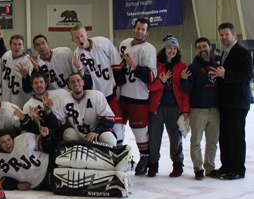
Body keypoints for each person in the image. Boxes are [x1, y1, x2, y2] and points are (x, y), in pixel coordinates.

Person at [209, 22, 253, 180]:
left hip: (237, 103)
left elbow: (247, 75)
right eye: (221, 34)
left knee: (236, 136)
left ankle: (238, 169)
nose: (224, 37)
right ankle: (227, 166)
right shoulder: (225, 53)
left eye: (227, 34)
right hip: (226, 103)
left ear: (234, 35)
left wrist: (226, 74)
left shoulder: (242, 52)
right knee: (225, 136)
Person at [71, 25, 125, 145]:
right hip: (96, 97)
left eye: (82, 36)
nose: (80, 39)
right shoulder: (76, 57)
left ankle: (120, 149)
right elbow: (85, 83)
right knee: (99, 129)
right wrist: (79, 68)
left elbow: (117, 64)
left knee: (118, 126)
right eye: (76, 38)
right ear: (72, 40)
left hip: (111, 90)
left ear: (87, 35)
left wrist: (119, 85)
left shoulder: (103, 42)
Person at [118, 18, 157, 175]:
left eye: (143, 29)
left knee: (139, 130)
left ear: (147, 32)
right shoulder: (124, 44)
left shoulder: (149, 49)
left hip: (138, 97)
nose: (140, 31)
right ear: (134, 29)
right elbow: (117, 67)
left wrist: (135, 66)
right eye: (138, 28)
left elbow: (151, 76)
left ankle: (145, 158)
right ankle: (118, 157)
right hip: (122, 96)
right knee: (117, 128)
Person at [147, 35, 190, 177]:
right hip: (157, 107)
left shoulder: (182, 65)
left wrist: (184, 110)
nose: (172, 50)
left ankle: (178, 164)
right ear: (164, 49)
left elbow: (184, 91)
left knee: (175, 137)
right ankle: (153, 164)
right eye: (169, 47)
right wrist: (161, 81)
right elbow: (150, 87)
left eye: (174, 48)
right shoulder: (155, 63)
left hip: (174, 107)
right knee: (154, 137)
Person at [180, 37, 220, 180]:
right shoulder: (193, 67)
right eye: (199, 47)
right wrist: (184, 80)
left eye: (204, 46)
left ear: (209, 47)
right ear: (196, 50)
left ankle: (209, 167)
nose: (202, 49)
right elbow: (187, 89)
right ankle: (198, 168)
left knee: (212, 142)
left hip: (215, 110)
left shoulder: (217, 66)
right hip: (198, 110)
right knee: (196, 141)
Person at [53, 72, 116, 146]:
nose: (76, 84)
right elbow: (55, 123)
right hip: (76, 132)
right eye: (72, 82)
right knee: (69, 135)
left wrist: (97, 131)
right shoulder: (62, 99)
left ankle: (110, 156)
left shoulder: (96, 95)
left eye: (78, 80)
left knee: (109, 139)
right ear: (69, 85)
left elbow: (109, 118)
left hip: (97, 131)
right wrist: (48, 112)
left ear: (83, 82)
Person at [0, 126, 55, 191]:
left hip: (50, 164)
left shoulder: (23, 139)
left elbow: (48, 147)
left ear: (12, 139)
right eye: (3, 142)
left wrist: (46, 137)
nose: (7, 143)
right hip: (41, 183)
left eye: (8, 140)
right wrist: (16, 185)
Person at [0, 34, 34, 108]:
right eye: (14, 44)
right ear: (10, 45)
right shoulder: (6, 55)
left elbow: (30, 88)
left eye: (19, 44)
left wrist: (25, 76)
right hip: (5, 99)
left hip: (21, 100)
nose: (17, 47)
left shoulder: (28, 61)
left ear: (23, 46)